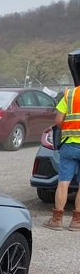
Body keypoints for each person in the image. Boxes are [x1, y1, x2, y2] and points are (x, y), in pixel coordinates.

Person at [44, 82, 80, 230]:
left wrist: (70, 129)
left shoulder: (69, 94)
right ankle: (76, 222)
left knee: (63, 182)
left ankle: (57, 220)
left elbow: (58, 120)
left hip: (70, 145)